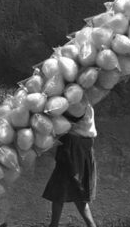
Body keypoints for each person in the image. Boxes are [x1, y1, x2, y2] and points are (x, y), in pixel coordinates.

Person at [42, 87, 110, 227]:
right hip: (81, 146)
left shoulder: (78, 104)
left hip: (73, 147)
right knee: (71, 188)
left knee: (65, 187)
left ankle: (56, 225)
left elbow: (65, 118)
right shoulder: (85, 101)